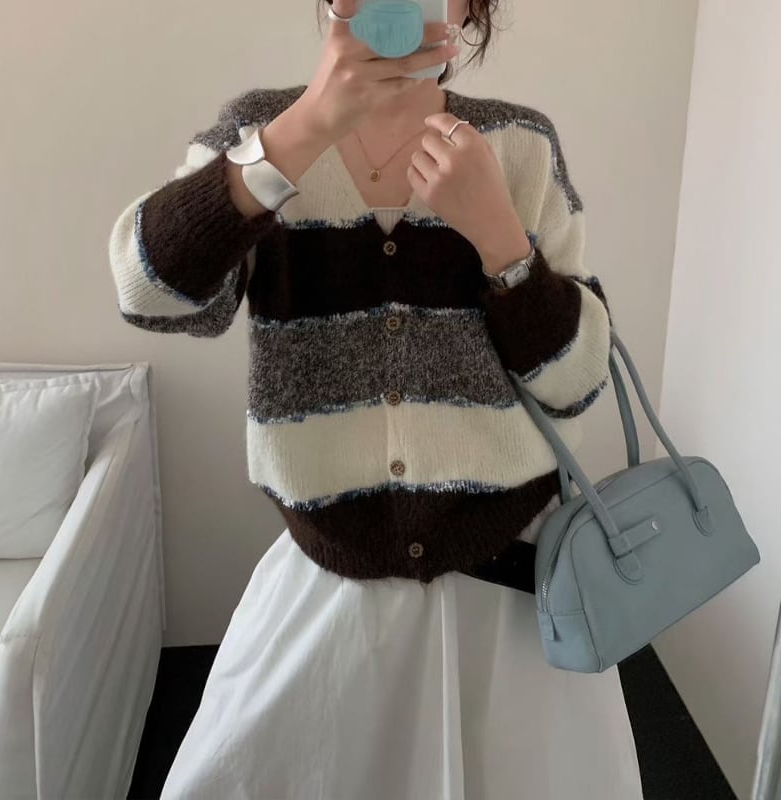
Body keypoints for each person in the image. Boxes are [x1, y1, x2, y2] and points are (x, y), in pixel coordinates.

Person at [108, 1, 645, 797]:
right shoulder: (261, 131)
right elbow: (146, 292)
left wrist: (499, 237)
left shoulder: (521, 143)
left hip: (511, 597)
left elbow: (578, 382)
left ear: (468, 7)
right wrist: (300, 134)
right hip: (328, 584)